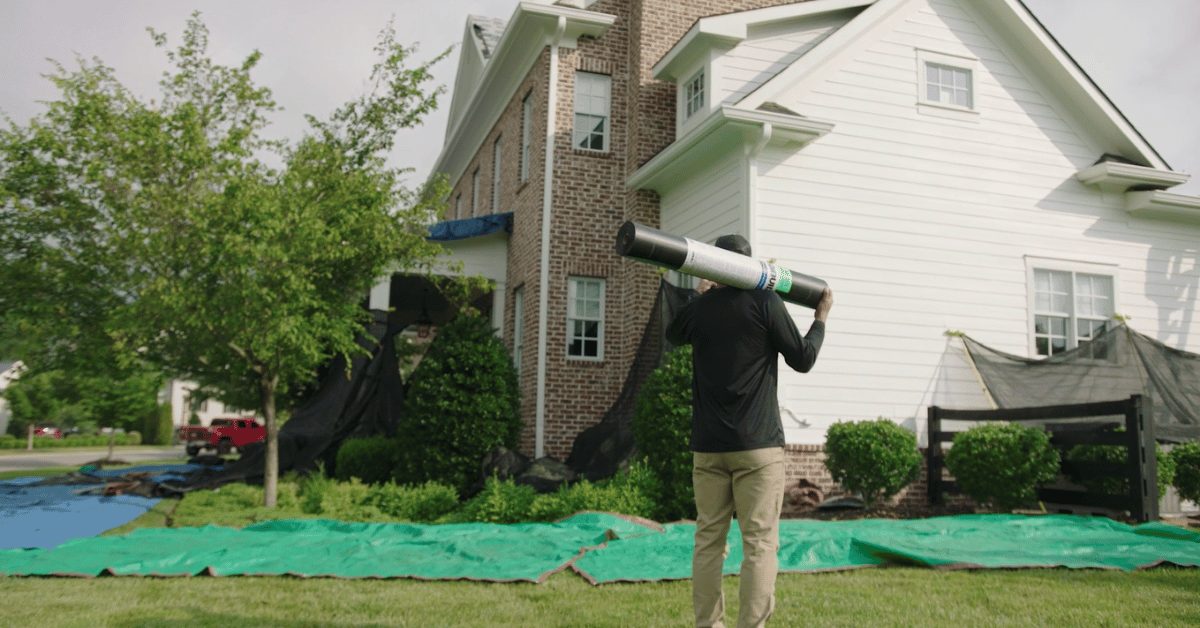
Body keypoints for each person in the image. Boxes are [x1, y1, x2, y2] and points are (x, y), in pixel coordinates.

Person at [665, 234, 832, 628]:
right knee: (758, 544)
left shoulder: (700, 309)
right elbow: (803, 359)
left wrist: (700, 293)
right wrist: (820, 318)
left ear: (714, 266)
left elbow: (673, 333)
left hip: (708, 449)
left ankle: (709, 624)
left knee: (708, 541)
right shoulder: (765, 301)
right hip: (757, 448)